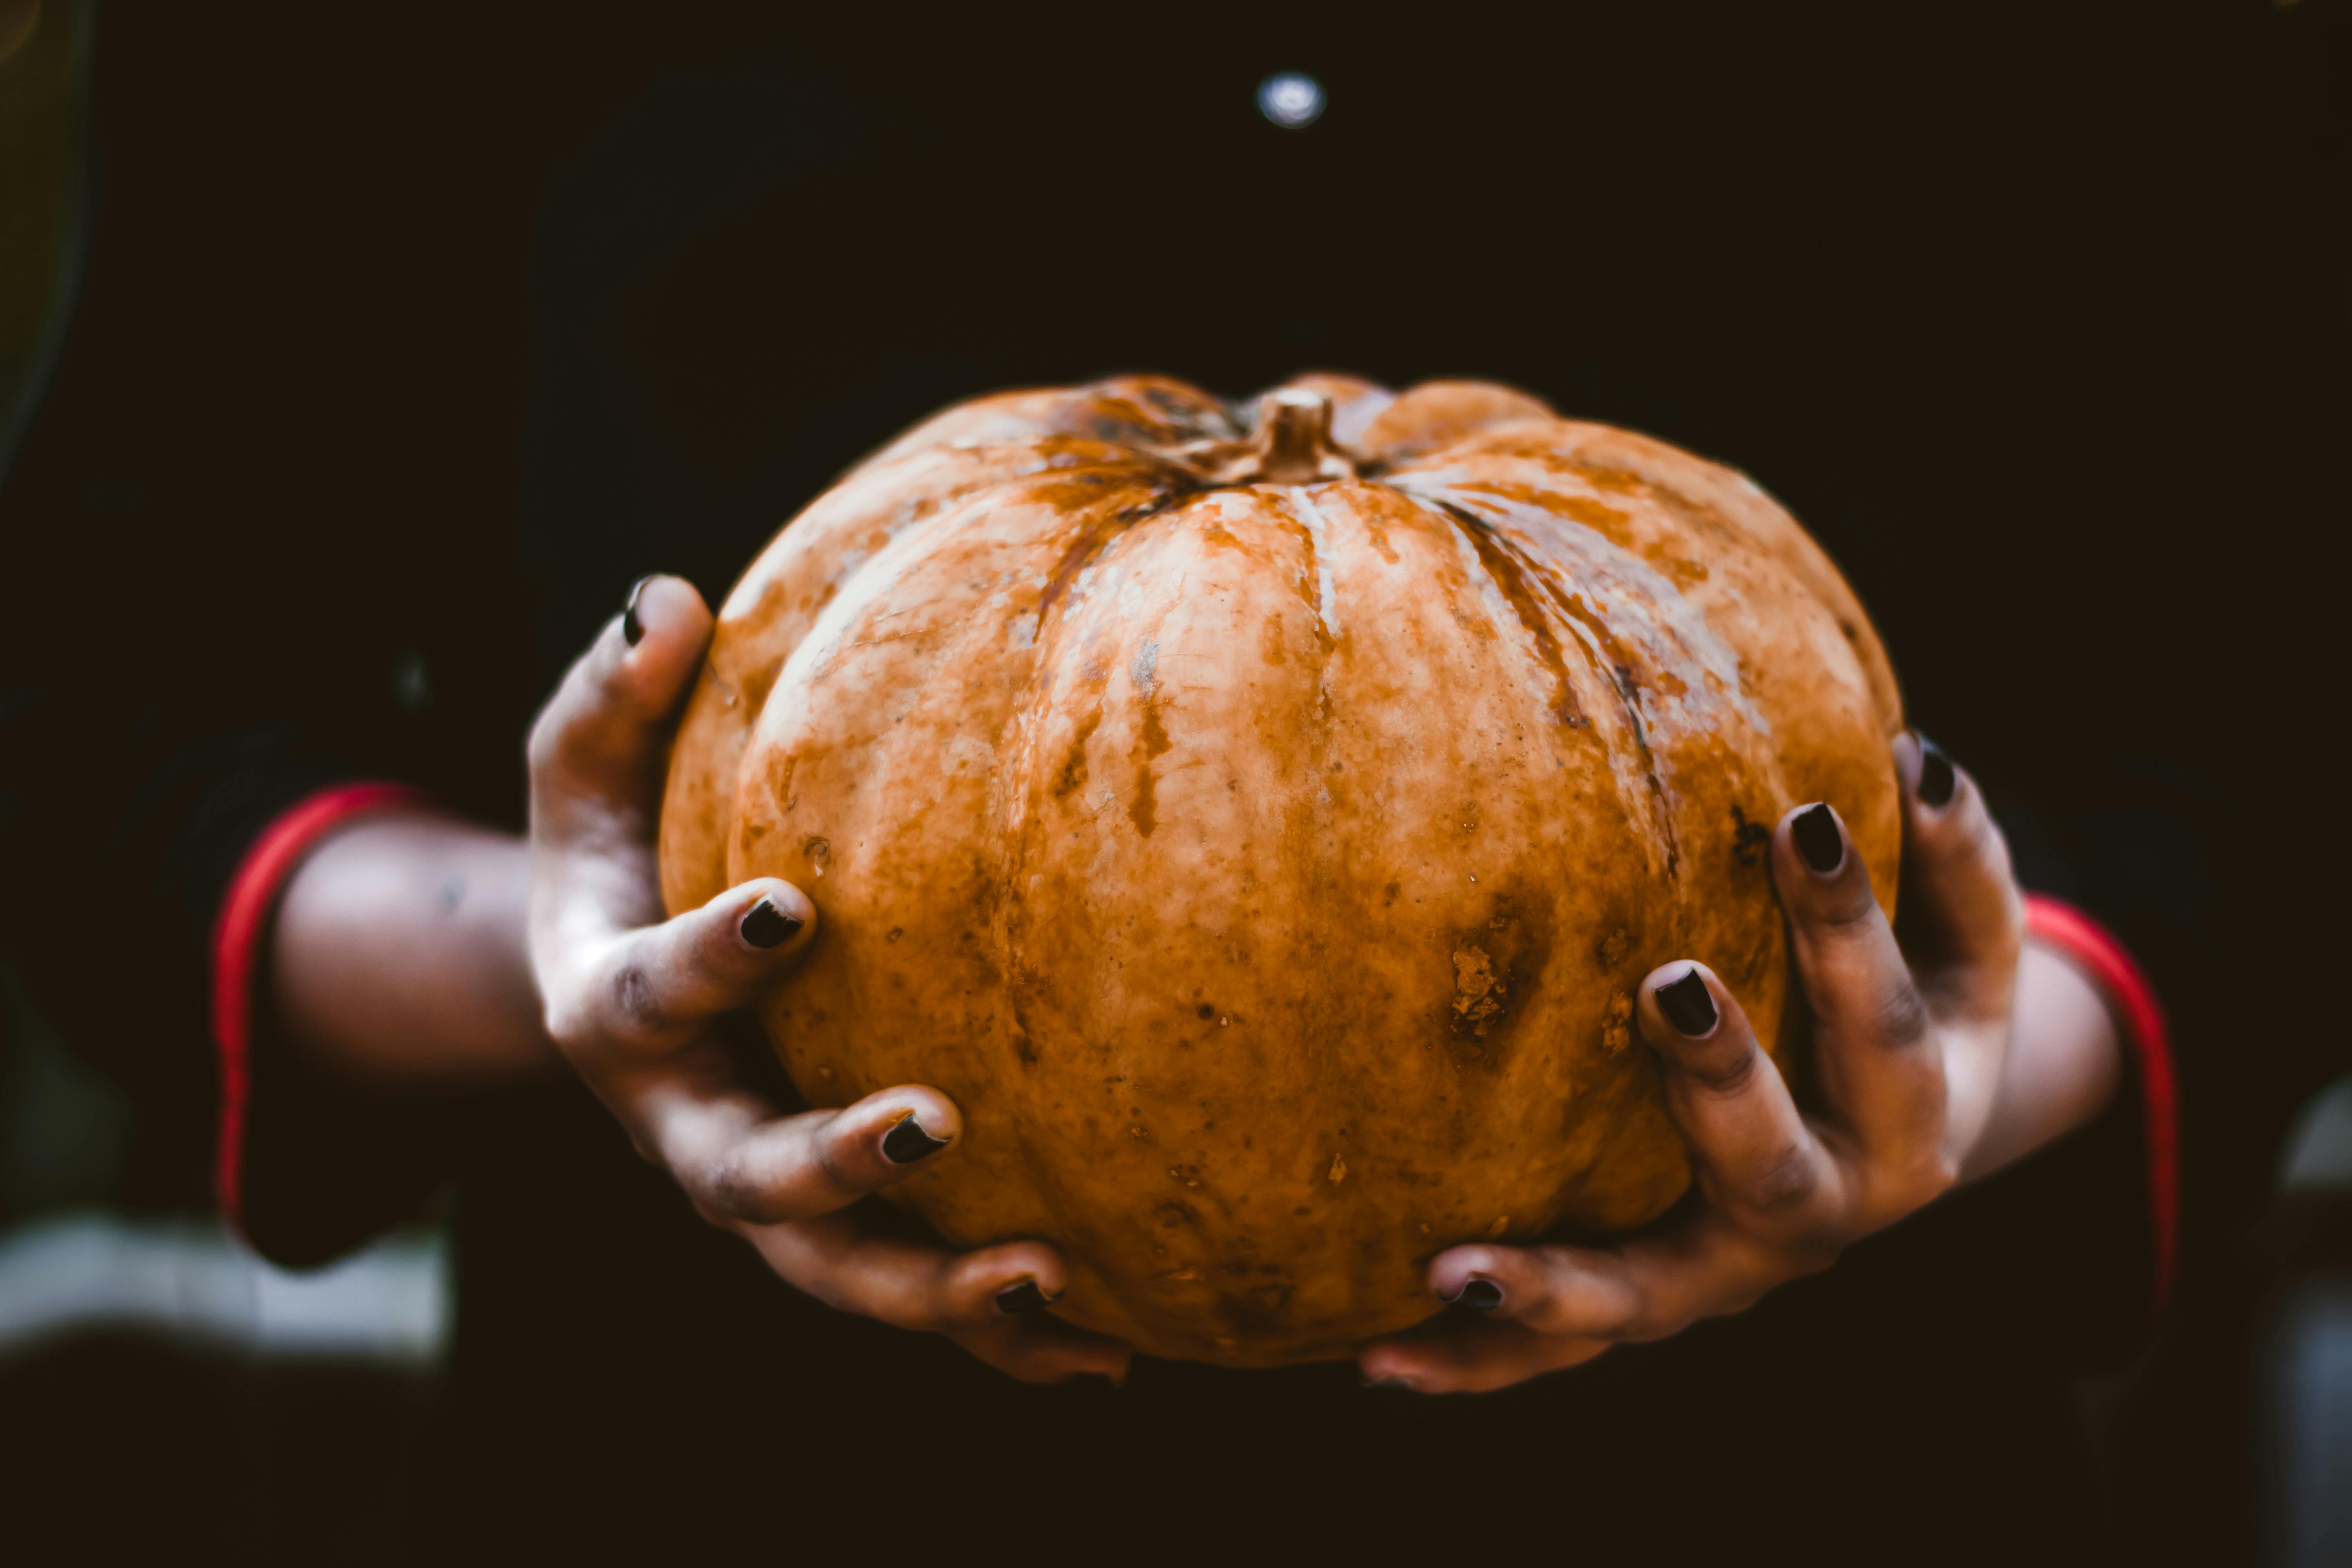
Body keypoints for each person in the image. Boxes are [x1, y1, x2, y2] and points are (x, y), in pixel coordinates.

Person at [2, 2, 2342, 1561]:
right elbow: (107, 689)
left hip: (1808, 1486)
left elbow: (2276, 694)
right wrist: (554, 961)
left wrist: (1973, 1059)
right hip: (721, 1481)